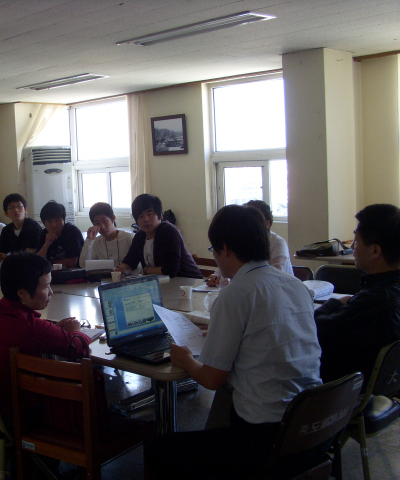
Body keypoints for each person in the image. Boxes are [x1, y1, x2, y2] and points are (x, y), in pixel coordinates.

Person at [144, 204, 322, 479]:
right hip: (310, 429)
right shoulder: (295, 285)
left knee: (159, 449)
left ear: (225, 249)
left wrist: (186, 360)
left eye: (213, 250)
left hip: (264, 439)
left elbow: (211, 379)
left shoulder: (235, 294)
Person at [0, 252, 89, 437]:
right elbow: (78, 347)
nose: (51, 292)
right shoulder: (30, 327)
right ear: (22, 293)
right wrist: (75, 330)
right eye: (46, 286)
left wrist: (52, 329)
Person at [315, 203, 400, 385]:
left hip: (341, 391)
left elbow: (314, 329)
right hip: (389, 386)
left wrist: (334, 303)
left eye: (356, 240)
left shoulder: (371, 303)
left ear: (375, 251)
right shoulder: (390, 292)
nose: (352, 246)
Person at [206, 199, 293, 286]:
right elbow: (234, 263)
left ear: (267, 224)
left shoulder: (278, 243)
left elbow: (276, 274)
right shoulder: (244, 239)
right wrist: (217, 276)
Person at [116, 194, 201, 278]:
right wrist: (122, 271)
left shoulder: (168, 231)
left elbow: (170, 270)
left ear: (160, 215)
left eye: (150, 214)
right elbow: (130, 262)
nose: (146, 219)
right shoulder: (140, 236)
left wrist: (146, 270)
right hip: (163, 283)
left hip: (188, 281)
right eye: (141, 216)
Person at [0, 193, 43, 265]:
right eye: (11, 207)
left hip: (33, 265)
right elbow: (1, 253)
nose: (16, 210)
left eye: (19, 206)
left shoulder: (33, 226)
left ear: (26, 210)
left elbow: (30, 253)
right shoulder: (6, 230)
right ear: (6, 213)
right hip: (16, 265)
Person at [79, 202, 134, 269]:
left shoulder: (129, 238)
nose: (102, 227)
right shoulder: (96, 242)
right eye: (97, 223)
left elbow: (138, 267)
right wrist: (89, 240)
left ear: (113, 218)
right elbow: (84, 265)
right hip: (105, 276)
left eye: (105, 221)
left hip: (129, 275)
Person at [36, 201, 83, 268]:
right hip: (50, 273)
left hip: (72, 273)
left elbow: (72, 263)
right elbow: (37, 262)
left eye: (57, 220)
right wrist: (46, 244)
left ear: (63, 220)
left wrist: (48, 263)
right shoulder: (44, 234)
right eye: (49, 221)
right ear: (44, 223)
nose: (54, 225)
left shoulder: (72, 231)